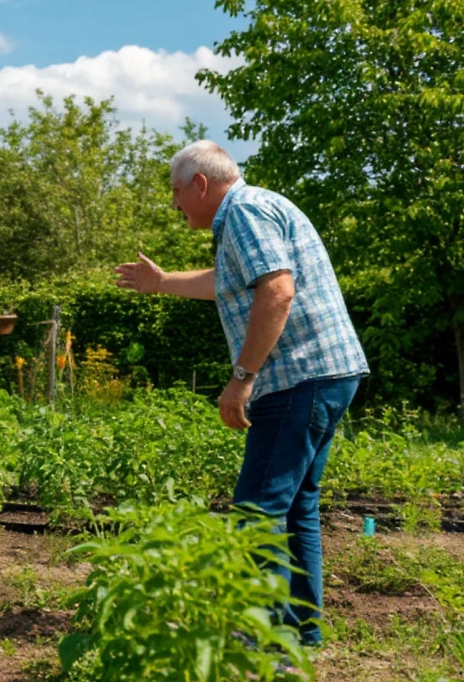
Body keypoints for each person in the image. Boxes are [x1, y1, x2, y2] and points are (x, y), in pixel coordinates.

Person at [114, 140, 369, 647]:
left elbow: (277, 289)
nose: (174, 203)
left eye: (176, 191)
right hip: (327, 373)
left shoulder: (246, 212)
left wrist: (242, 377)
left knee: (259, 510)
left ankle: (265, 641)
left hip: (297, 378)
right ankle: (300, 634)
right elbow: (229, 282)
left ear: (201, 184)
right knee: (296, 509)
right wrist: (162, 282)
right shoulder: (255, 210)